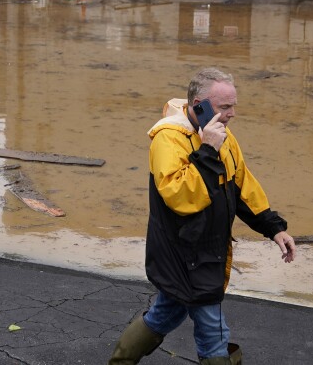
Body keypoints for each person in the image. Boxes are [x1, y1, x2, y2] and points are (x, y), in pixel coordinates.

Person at [110, 67, 296, 365]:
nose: (233, 113)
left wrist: (274, 228)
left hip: (207, 252)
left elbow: (242, 186)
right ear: (200, 104)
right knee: (214, 332)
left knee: (164, 314)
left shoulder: (225, 138)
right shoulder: (168, 140)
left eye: (233, 105)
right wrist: (208, 150)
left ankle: (119, 362)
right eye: (225, 107)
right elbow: (181, 197)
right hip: (183, 256)